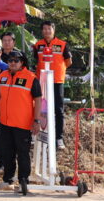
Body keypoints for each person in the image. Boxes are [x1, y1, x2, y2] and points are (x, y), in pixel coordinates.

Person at [0, 50, 42, 193]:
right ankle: (8, 181)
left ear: (22, 62)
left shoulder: (31, 78)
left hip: (22, 124)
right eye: (10, 60)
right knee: (7, 153)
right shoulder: (2, 76)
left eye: (16, 61)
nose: (12, 63)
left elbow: (38, 100)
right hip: (4, 123)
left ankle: (23, 182)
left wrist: (37, 120)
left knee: (23, 153)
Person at [32, 21, 71, 149]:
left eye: (49, 28)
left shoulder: (62, 44)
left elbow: (68, 61)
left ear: (53, 30)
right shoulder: (37, 45)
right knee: (40, 108)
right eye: (44, 29)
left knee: (58, 110)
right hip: (41, 81)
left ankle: (59, 138)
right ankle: (38, 135)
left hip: (57, 81)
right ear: (42, 31)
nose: (47, 31)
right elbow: (36, 61)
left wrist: (59, 69)